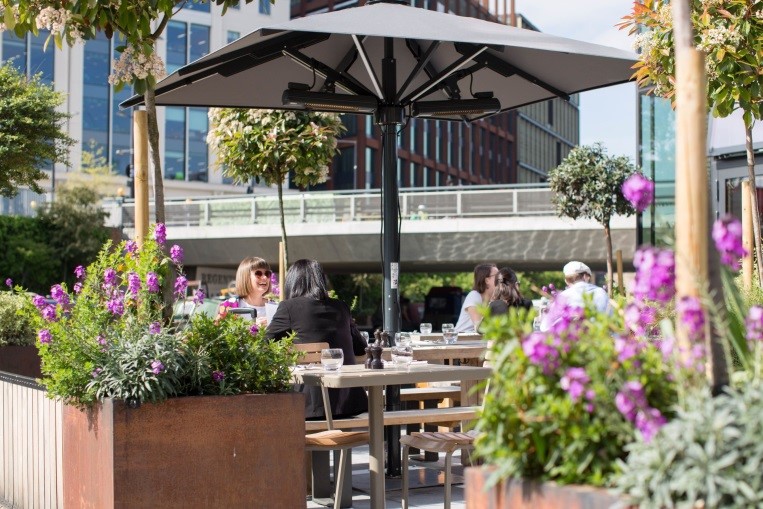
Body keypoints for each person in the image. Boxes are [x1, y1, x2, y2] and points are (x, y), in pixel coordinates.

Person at [266, 259, 368, 419]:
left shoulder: (288, 307)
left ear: (292, 282)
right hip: (351, 405)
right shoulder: (341, 307)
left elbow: (265, 344)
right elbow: (361, 348)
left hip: (308, 407)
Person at [540, 261, 610, 332]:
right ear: (586, 277)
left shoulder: (562, 297)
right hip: (597, 339)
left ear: (566, 281)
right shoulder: (601, 292)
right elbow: (611, 319)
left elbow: (544, 327)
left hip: (571, 340)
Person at [219, 256, 272, 327]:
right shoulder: (228, 306)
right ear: (245, 277)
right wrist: (253, 329)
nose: (265, 277)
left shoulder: (275, 307)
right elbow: (217, 334)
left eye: (267, 274)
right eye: (258, 274)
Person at [454, 263, 498, 333]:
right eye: (497, 275)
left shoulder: (494, 298)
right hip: (462, 340)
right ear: (487, 280)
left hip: (478, 340)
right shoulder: (474, 296)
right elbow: (479, 327)